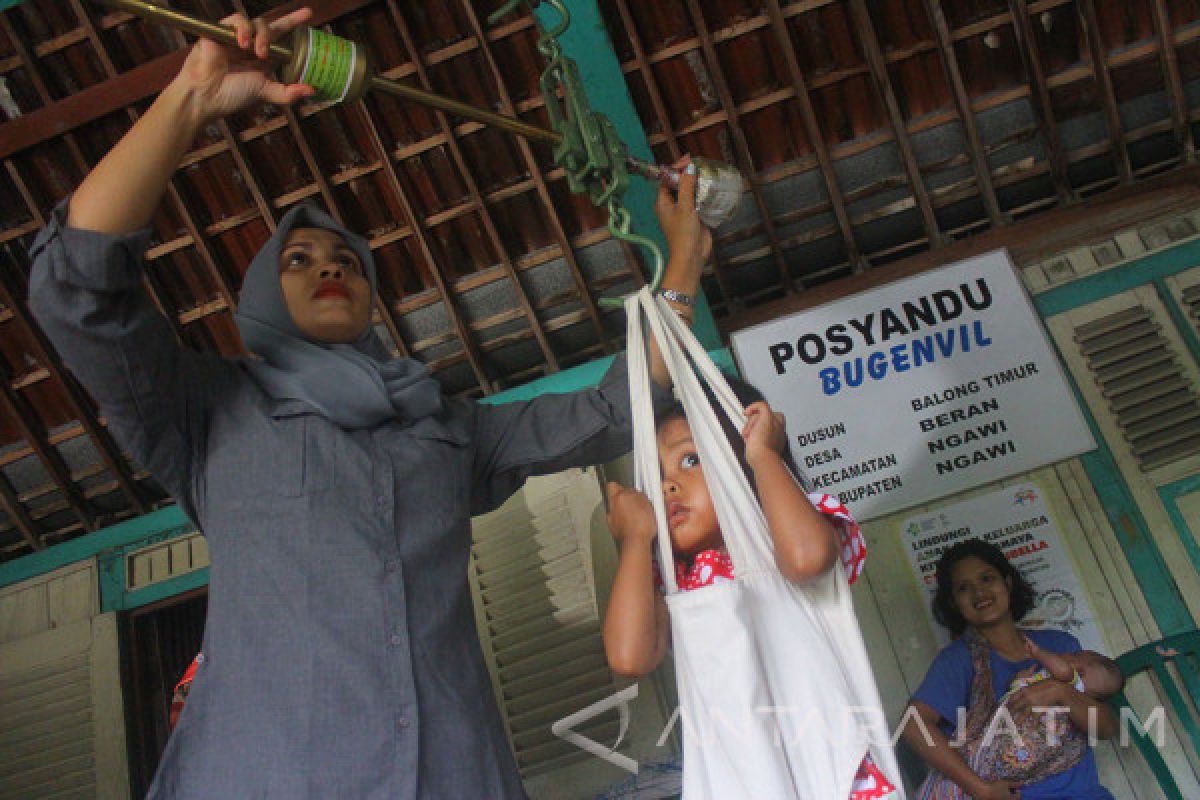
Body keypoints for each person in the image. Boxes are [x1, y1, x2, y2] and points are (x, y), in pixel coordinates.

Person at [28, 8, 709, 798]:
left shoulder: (448, 429)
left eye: (348, 260)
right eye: (299, 258)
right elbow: (73, 288)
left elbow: (612, 409)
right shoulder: (209, 412)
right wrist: (191, 95)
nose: (330, 267)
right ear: (261, 298)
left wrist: (684, 264)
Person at [601, 377, 900, 800]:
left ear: (738, 458)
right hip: (744, 776)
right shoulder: (672, 582)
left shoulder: (789, 532)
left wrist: (763, 455)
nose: (668, 486)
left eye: (689, 461)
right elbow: (629, 657)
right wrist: (634, 541)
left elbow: (806, 561)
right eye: (656, 477)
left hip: (829, 763)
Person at [902, 538, 1119, 800]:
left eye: (986, 579)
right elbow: (914, 726)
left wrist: (1060, 692)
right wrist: (980, 789)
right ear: (953, 603)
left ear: (1008, 582)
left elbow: (1105, 729)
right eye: (963, 588)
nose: (979, 593)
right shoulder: (957, 662)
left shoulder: (1061, 646)